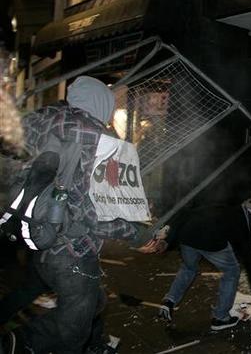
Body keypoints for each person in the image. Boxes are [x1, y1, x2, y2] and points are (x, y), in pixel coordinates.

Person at [0, 76, 153, 354]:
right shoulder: (97, 138)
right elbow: (93, 214)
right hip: (72, 248)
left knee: (93, 302)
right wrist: (136, 234)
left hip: (36, 232)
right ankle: (19, 343)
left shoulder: (41, 119)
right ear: (101, 105)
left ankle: (93, 346)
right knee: (71, 330)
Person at [150, 199, 251, 331]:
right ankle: (220, 318)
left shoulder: (222, 207)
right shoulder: (246, 224)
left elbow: (185, 214)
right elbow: (250, 260)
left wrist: (168, 240)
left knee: (188, 268)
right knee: (232, 272)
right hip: (211, 240)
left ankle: (169, 301)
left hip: (187, 236)